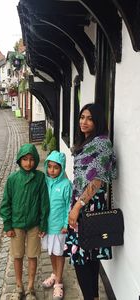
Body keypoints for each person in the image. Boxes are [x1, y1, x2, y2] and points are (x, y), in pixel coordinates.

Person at [63, 103, 117, 300]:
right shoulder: (84, 142)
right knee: (86, 256)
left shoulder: (102, 144)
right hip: (80, 203)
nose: (83, 122)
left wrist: (77, 207)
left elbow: (97, 181)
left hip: (89, 204)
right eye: (82, 117)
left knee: (82, 258)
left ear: (98, 122)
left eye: (89, 118)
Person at [0, 143, 49, 300]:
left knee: (32, 255)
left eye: (32, 159)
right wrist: (8, 225)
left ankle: (30, 288)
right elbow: (6, 203)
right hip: (17, 224)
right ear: (19, 160)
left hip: (34, 225)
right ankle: (19, 286)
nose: (28, 163)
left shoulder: (40, 178)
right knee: (18, 255)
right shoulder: (13, 179)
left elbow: (44, 202)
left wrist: (43, 224)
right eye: (25, 159)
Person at [41, 150, 72, 300]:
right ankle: (55, 273)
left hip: (60, 227)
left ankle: (58, 283)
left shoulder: (66, 185)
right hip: (47, 227)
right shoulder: (45, 182)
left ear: (62, 168)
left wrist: (66, 223)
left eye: (56, 167)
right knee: (52, 253)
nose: (52, 170)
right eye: (50, 167)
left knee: (59, 254)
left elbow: (68, 206)